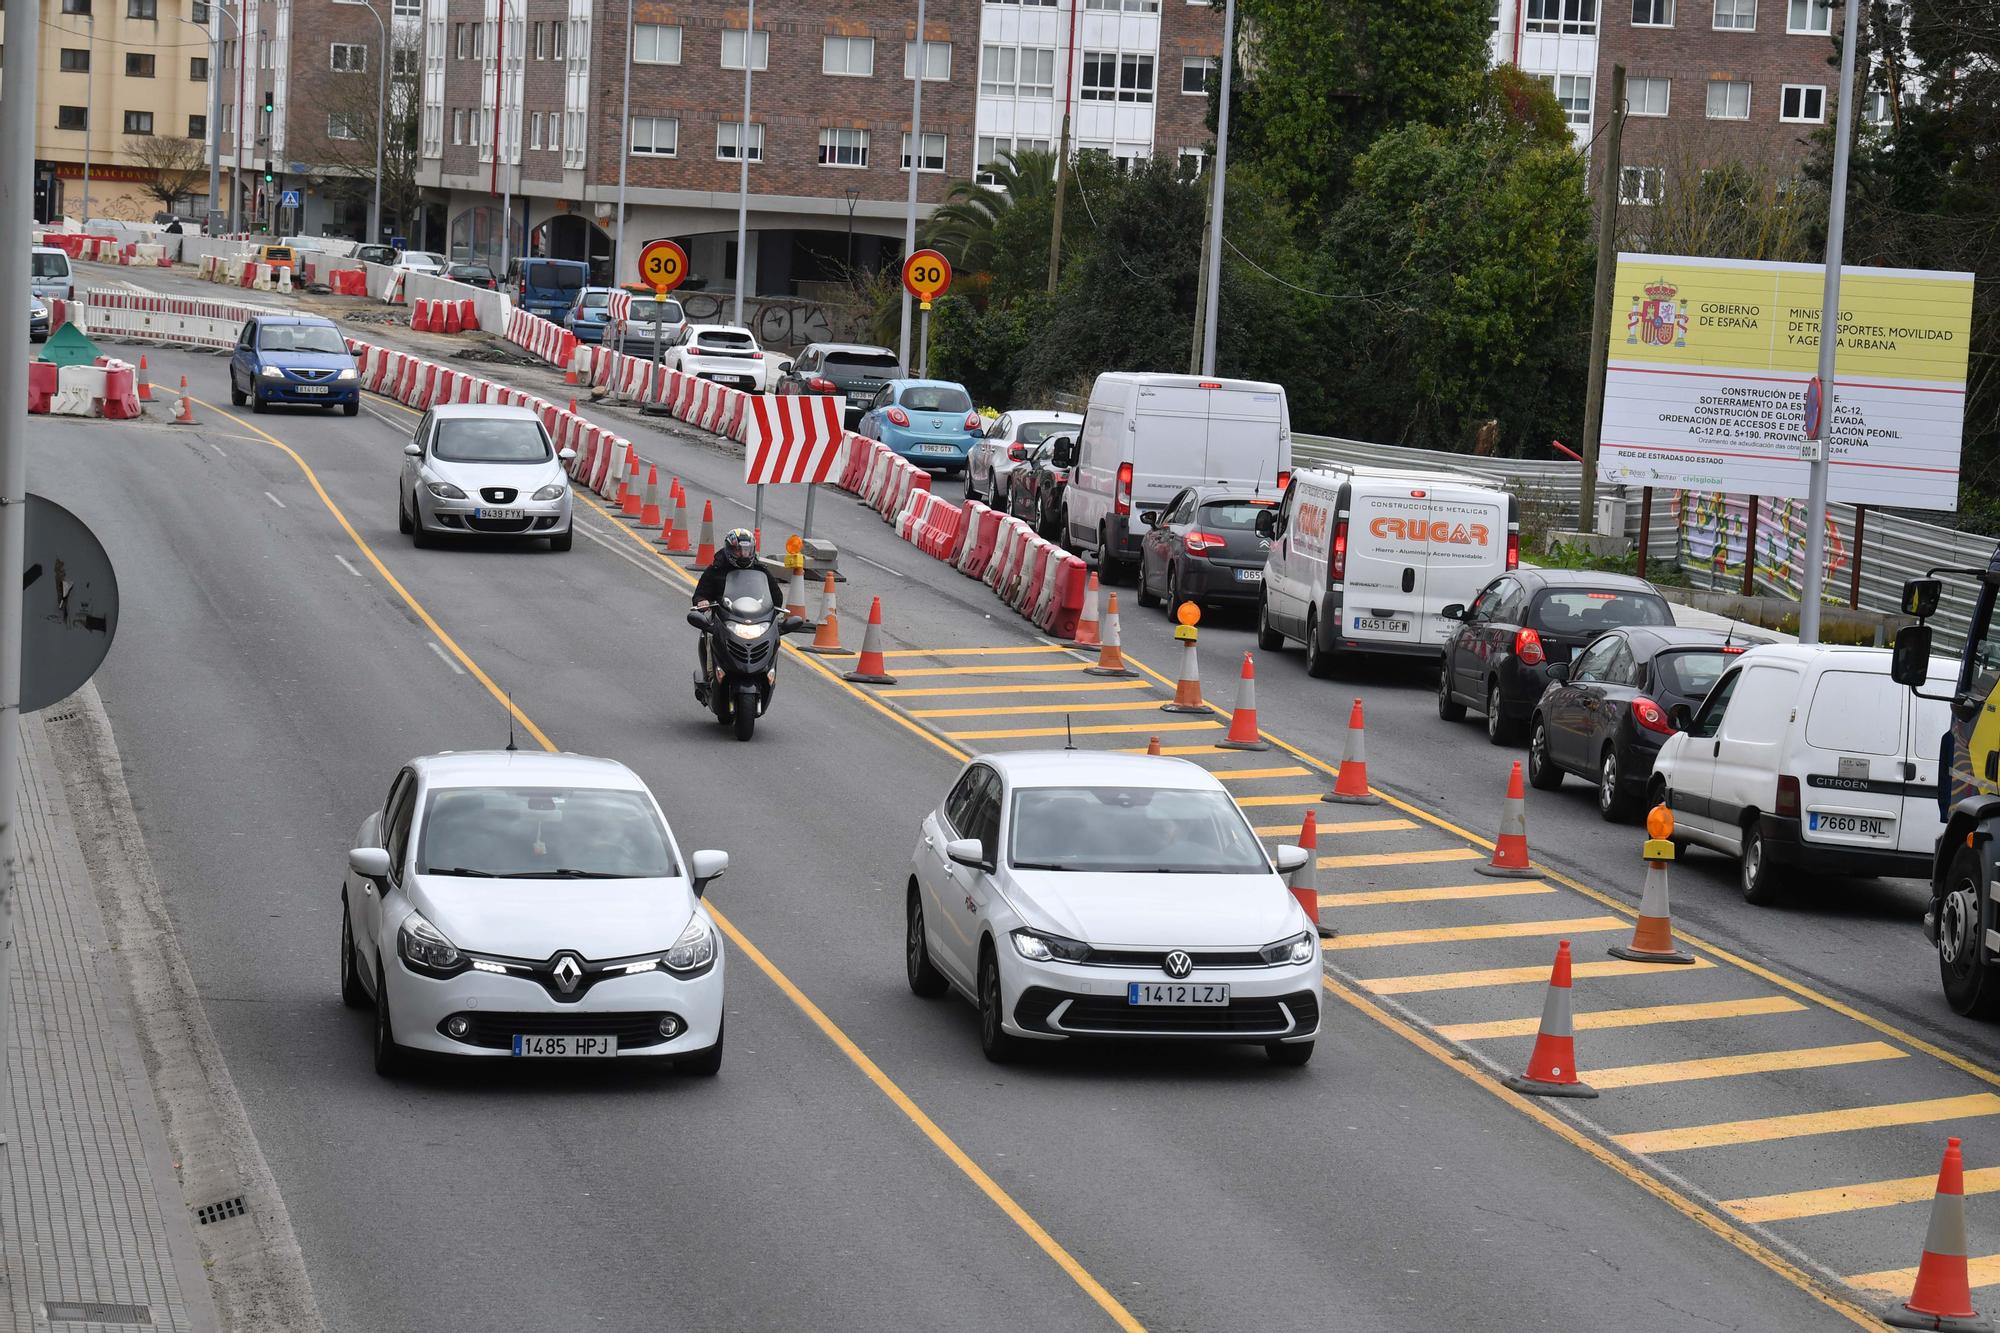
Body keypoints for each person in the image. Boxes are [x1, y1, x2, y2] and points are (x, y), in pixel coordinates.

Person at [692, 528, 784, 702]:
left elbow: (776, 598)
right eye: (738, 550)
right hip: (724, 619)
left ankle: (767, 672)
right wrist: (702, 601)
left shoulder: (760, 570)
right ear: (729, 549)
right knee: (709, 636)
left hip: (754, 620)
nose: (743, 554)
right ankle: (710, 676)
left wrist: (770, 608)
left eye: (747, 550)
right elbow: (700, 593)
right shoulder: (716, 569)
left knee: (774, 637)